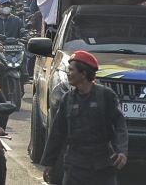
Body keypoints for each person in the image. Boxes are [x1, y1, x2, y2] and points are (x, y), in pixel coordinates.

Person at [41, 50, 128, 185]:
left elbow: (119, 125)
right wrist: (49, 163)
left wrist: (121, 151)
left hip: (103, 167)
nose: (68, 73)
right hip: (75, 167)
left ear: (83, 73)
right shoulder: (67, 99)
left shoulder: (105, 96)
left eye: (71, 70)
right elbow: (57, 133)